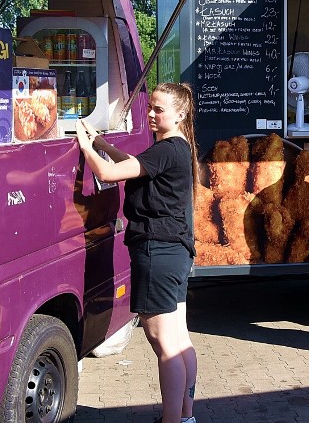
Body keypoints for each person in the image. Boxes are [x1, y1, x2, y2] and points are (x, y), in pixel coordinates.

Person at [76, 83, 199, 423]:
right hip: (173, 251)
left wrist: (84, 144)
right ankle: (185, 416)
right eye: (151, 107)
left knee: (163, 341)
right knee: (179, 338)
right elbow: (134, 164)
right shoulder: (175, 148)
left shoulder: (167, 149)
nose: (150, 114)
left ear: (180, 114)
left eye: (158, 109)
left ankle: (172, 419)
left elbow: (108, 173)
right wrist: (101, 143)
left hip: (157, 250)